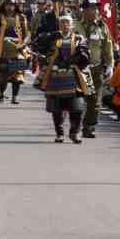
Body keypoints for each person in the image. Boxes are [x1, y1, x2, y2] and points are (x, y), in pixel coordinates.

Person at [38, 14, 91, 143]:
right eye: (62, 23)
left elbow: (85, 54)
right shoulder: (53, 37)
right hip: (56, 76)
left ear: (72, 25)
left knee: (77, 107)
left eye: (67, 23)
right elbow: (42, 49)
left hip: (74, 75)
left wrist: (76, 59)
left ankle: (74, 132)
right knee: (56, 107)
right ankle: (59, 133)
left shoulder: (78, 38)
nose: (65, 25)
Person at [77, 0, 114, 138]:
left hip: (96, 68)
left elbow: (108, 47)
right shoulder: (75, 26)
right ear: (84, 10)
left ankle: (89, 127)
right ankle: (76, 124)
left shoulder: (102, 26)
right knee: (78, 98)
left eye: (96, 8)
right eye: (92, 8)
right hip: (79, 68)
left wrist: (110, 65)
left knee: (95, 101)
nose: (95, 11)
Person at [0, 0, 30, 105]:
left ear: (15, 6)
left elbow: (27, 33)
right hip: (3, 49)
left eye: (12, 5)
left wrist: (24, 43)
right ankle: (1, 94)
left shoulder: (21, 18)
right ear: (4, 6)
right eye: (7, 5)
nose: (9, 7)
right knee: (3, 74)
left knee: (18, 74)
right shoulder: (0, 17)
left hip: (18, 49)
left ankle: (14, 97)